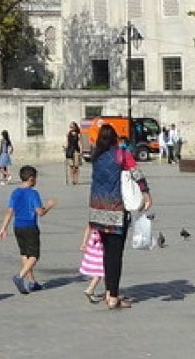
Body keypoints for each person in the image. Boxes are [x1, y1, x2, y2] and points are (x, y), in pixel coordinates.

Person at [87, 123, 149, 310]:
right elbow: (137, 173)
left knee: (107, 254)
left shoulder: (95, 156)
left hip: (97, 210)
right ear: (115, 138)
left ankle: (108, 292)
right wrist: (146, 193)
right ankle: (113, 297)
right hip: (116, 209)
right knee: (115, 255)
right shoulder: (121, 154)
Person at [0, 165, 56, 293]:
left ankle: (32, 282)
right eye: (35, 179)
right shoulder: (33, 193)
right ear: (31, 179)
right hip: (30, 227)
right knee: (34, 255)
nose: (36, 181)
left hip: (17, 226)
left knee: (25, 254)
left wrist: (3, 228)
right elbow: (40, 212)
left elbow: (9, 211)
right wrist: (49, 205)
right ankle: (20, 276)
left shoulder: (15, 192)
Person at [78, 224, 106, 303]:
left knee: (102, 270)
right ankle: (90, 289)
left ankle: (107, 291)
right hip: (100, 247)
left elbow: (88, 228)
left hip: (93, 245)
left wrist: (84, 243)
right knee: (101, 270)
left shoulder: (94, 218)